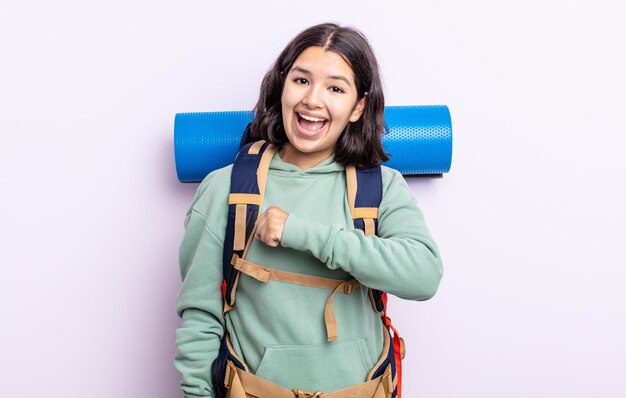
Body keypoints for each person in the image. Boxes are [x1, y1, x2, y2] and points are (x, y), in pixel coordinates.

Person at [175, 23, 443, 398]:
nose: (313, 100)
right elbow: (200, 317)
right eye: (301, 80)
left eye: (335, 88)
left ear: (358, 106)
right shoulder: (227, 188)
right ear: (281, 87)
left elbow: (424, 276)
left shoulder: (380, 186)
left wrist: (303, 234)